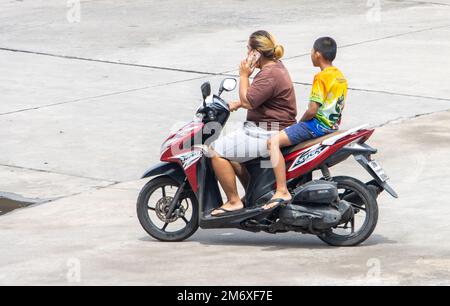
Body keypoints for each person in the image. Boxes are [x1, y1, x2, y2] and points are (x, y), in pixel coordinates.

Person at [210, 30, 297, 216]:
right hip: (269, 127)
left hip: (267, 131)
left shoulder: (269, 74)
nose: (247, 53)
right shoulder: (275, 67)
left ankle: (233, 201)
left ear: (257, 52)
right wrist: (237, 103)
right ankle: (254, 196)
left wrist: (243, 75)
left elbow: (250, 100)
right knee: (231, 156)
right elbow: (261, 96)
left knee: (215, 151)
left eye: (249, 49)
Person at [264, 37, 348, 209]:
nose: (310, 54)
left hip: (316, 126)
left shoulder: (321, 77)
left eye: (311, 51)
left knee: (272, 143)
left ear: (318, 54)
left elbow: (312, 109)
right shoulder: (340, 76)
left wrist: (299, 124)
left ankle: (281, 190)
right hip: (331, 126)